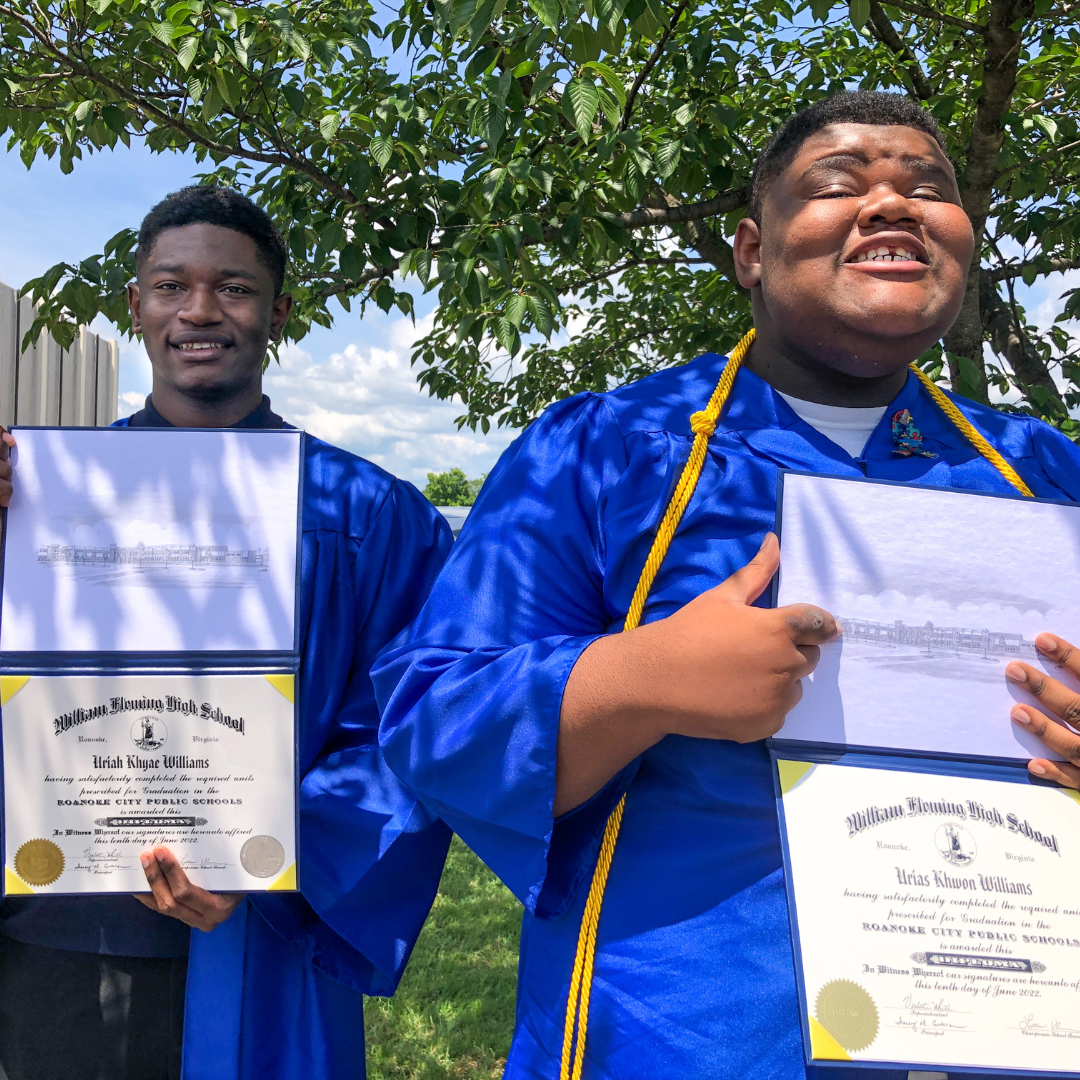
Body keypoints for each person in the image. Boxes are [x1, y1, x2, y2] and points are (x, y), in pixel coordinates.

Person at [373, 92, 1080, 1080]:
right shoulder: (608, 450)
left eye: (928, 189)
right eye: (840, 185)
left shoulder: (1047, 478)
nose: (893, 206)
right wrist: (641, 681)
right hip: (679, 1026)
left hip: (1002, 1018)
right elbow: (432, 715)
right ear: (752, 251)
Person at [0, 186, 453, 1080]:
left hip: (258, 933)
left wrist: (262, 853)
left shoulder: (366, 514)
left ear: (278, 312)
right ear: (136, 305)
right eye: (171, 286)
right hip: (50, 935)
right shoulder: (36, 501)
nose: (200, 311)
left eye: (235, 289)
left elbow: (414, 726)